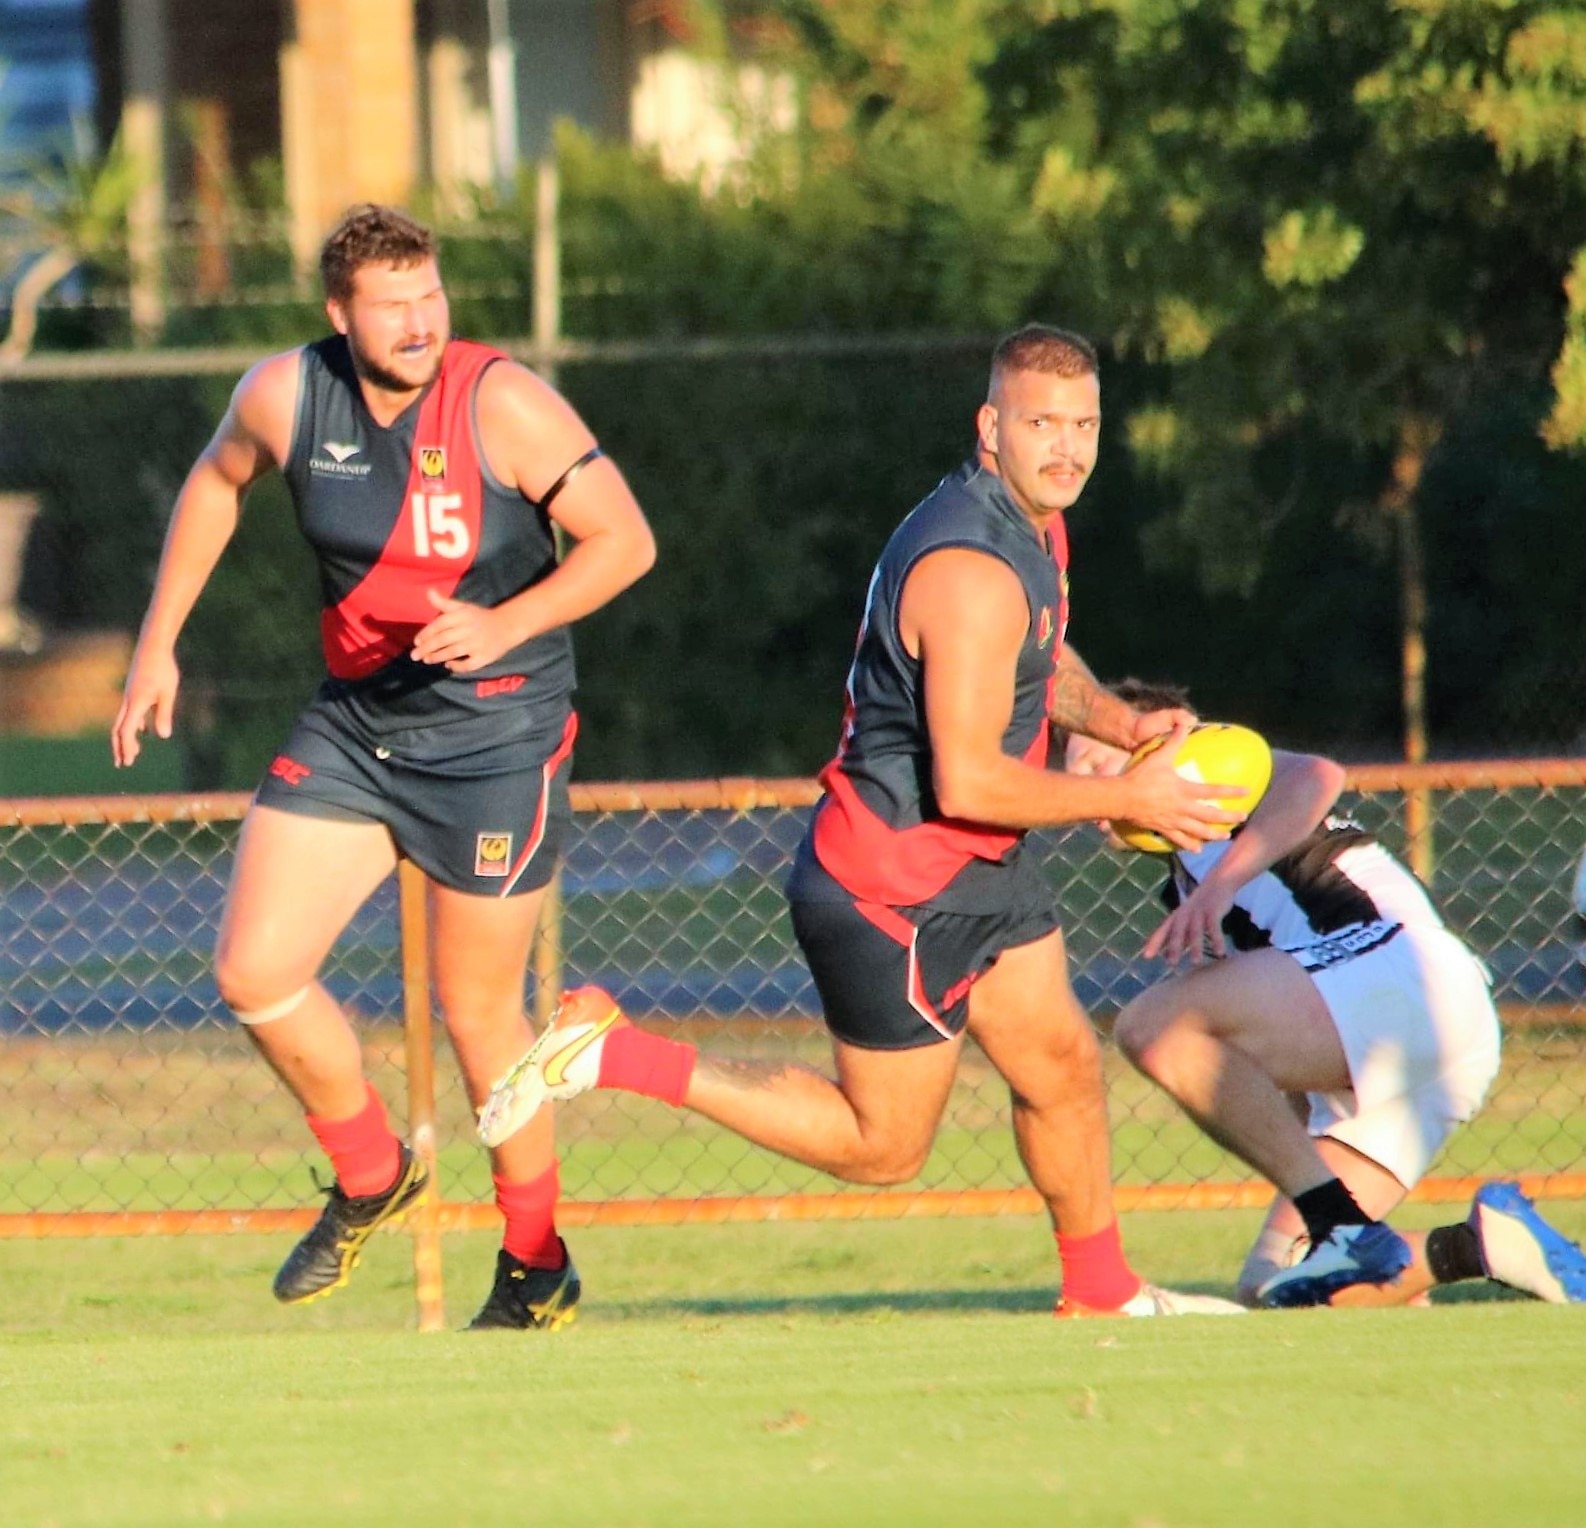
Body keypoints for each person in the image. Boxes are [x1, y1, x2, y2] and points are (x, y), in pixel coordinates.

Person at [480, 324, 1252, 1317]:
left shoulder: (1032, 525)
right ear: (990, 428)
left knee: (1058, 1063)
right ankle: (615, 1051)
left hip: (980, 865)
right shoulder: (968, 567)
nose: (1064, 447)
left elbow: (1039, 654)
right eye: (1039, 423)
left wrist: (1117, 723)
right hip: (892, 883)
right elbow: (968, 778)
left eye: (1082, 424)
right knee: (882, 1145)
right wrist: (1127, 796)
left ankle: (1099, 1290)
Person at [112, 204, 656, 1330]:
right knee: (254, 971)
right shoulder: (283, 393)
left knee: (478, 1014)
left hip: (497, 739)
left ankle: (534, 1262)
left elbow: (625, 540)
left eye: (430, 297)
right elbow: (218, 481)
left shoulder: (499, 399)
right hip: (361, 724)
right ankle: (372, 1171)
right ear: (338, 314)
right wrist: (157, 639)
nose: (417, 322)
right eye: (390, 304)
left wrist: (505, 626)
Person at [1066, 679, 1586, 1309]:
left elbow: (1316, 774)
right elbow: (1258, 1060)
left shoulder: (1210, 768)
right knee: (1282, 1286)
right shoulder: (1187, 882)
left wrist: (1220, 885)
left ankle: (1344, 1227)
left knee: (1154, 1026)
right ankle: (1480, 1247)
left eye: (1097, 765)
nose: (1094, 797)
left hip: (1403, 974)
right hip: (1426, 1032)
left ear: (1163, 742)